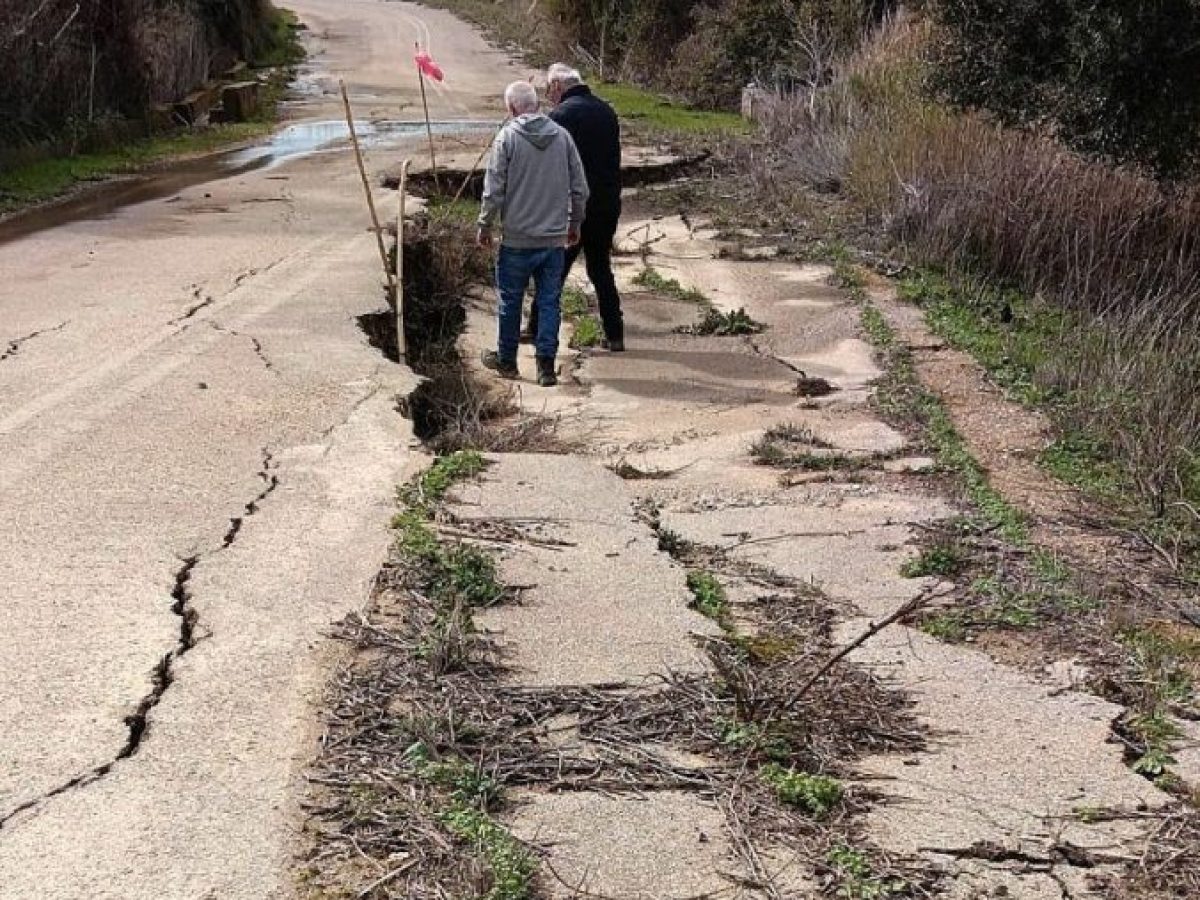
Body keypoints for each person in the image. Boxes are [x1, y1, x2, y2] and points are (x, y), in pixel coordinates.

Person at [477, 81, 589, 387]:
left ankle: (507, 361)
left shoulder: (507, 138)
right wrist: (574, 223)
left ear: (512, 108)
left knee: (510, 301)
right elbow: (580, 188)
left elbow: (493, 189)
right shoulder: (562, 137)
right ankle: (546, 368)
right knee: (550, 302)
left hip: (516, 239)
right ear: (537, 105)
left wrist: (484, 225)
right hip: (553, 240)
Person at [524, 64, 626, 352]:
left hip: (573, 207)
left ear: (557, 86)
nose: (548, 97)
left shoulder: (562, 116)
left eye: (548, 90)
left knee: (553, 271)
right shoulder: (606, 111)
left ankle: (535, 329)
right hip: (606, 204)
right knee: (600, 268)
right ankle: (614, 333)